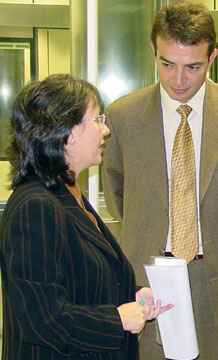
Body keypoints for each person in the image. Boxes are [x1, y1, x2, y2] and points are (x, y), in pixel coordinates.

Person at [101, 2, 218, 359]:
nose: (178, 79)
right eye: (166, 64)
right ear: (153, 52)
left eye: (193, 67)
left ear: (212, 57)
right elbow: (117, 195)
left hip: (217, 283)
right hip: (149, 284)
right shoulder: (123, 117)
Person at [0, 74, 171, 360]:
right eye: (97, 120)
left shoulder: (68, 193)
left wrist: (134, 294)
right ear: (66, 132)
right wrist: (117, 320)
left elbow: (82, 283)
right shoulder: (35, 206)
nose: (105, 131)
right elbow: (41, 319)